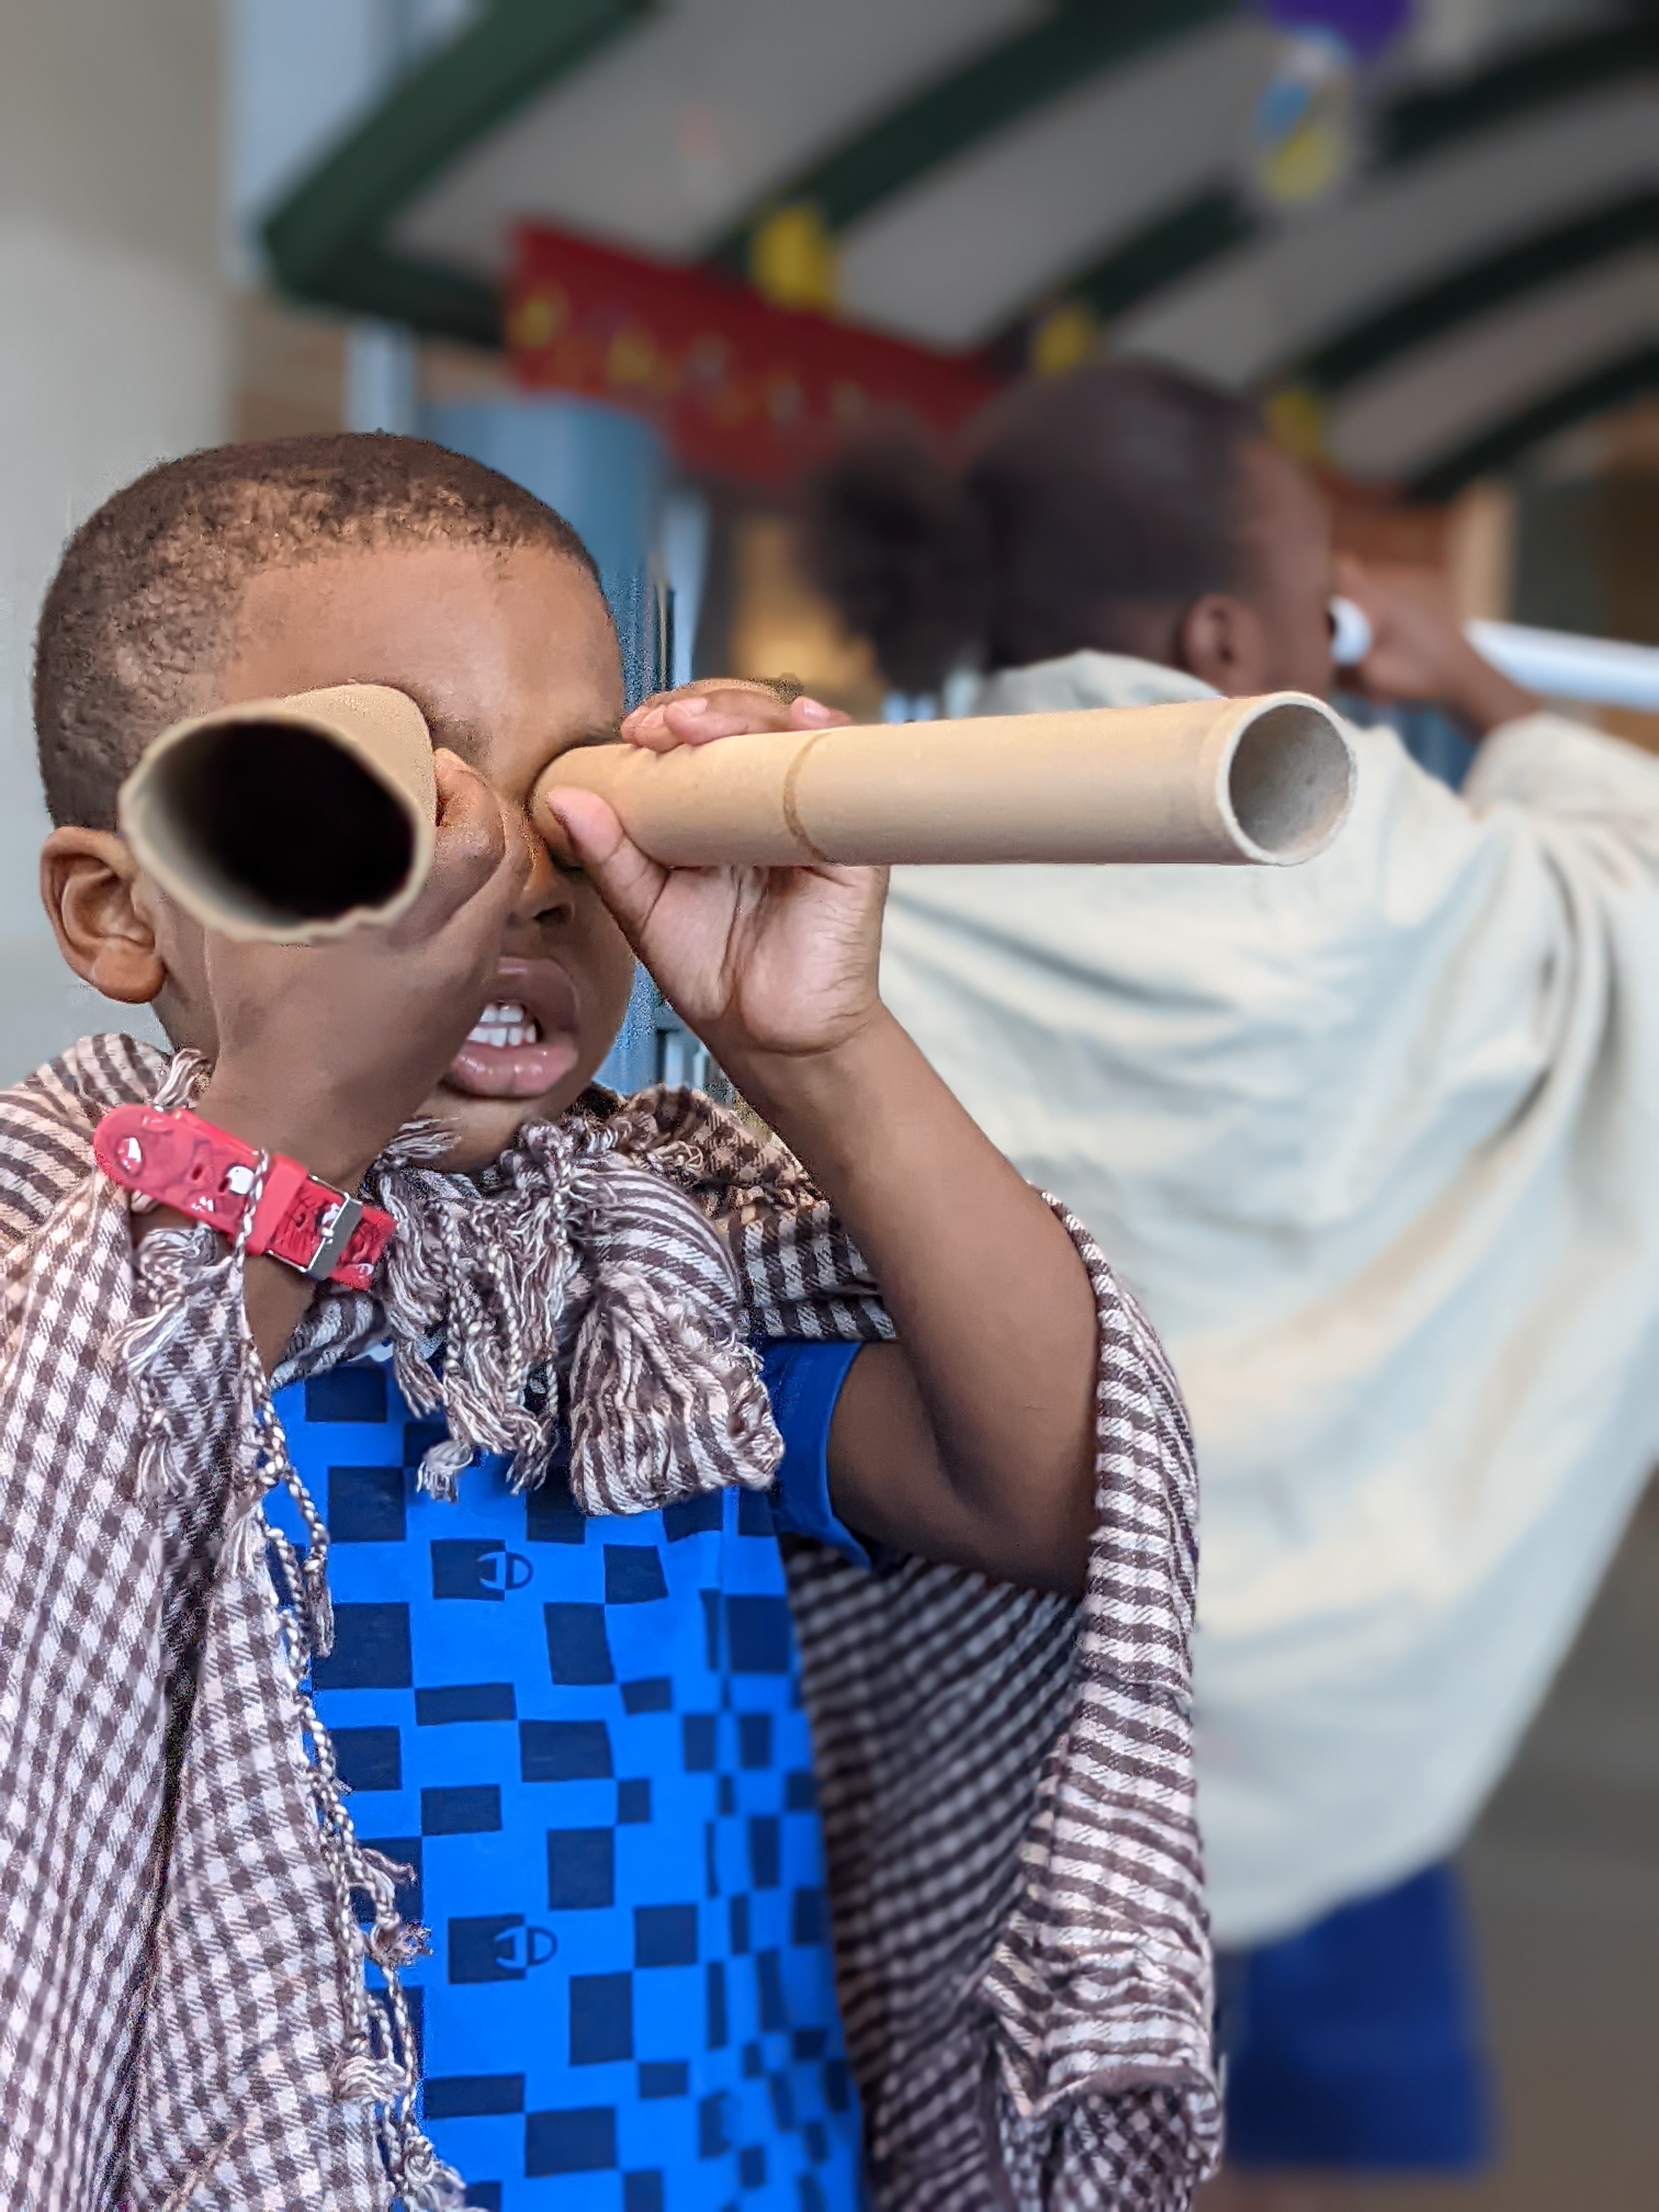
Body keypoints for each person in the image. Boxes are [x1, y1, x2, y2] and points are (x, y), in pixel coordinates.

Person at [1, 433, 1216, 2212]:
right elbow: (72, 1529)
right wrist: (315, 1086)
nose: (517, 881)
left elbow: (1051, 1493)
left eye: (569, 791)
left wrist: (817, 1048)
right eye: (389, 801)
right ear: (120, 912)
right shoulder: (68, 1257)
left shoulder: (650, 1271)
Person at [803, 361, 1659, 2184]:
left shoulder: (857, 850)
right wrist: (1489, 691)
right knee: (1319, 2158)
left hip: (985, 1754)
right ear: (1220, 633)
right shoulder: (1396, 862)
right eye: (1310, 611)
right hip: (1340, 1750)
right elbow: (1636, 903)